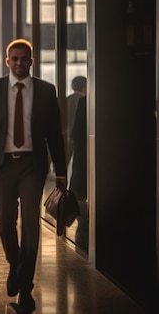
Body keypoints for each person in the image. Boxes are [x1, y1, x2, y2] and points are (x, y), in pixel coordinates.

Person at [0, 39, 67, 311]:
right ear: (7, 61)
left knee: (31, 224)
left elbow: (54, 136)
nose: (19, 63)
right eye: (15, 59)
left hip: (31, 166)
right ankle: (15, 264)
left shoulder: (47, 92)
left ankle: (26, 287)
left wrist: (61, 171)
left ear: (32, 61)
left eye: (24, 59)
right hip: (0, 167)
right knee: (5, 222)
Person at [70, 96, 88, 252]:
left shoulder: (84, 101)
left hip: (83, 160)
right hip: (84, 161)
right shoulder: (85, 102)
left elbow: (75, 133)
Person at [65, 76, 87, 164]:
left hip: (65, 134)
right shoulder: (84, 102)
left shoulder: (66, 100)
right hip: (79, 137)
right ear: (85, 86)